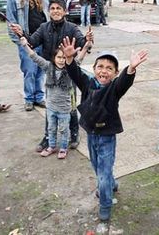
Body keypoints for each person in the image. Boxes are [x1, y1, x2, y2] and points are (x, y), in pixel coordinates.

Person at [61, 36, 148, 221]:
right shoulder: (87, 83)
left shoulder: (115, 88)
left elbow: (125, 81)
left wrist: (131, 69)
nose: (104, 71)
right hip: (91, 134)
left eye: (110, 68)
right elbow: (75, 73)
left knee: (103, 171)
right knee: (97, 166)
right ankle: (111, 184)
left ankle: (105, 203)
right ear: (93, 69)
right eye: (100, 66)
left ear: (115, 73)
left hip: (107, 137)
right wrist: (69, 59)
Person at [10, 0, 94, 151]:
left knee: (71, 104)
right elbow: (31, 42)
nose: (55, 11)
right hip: (51, 72)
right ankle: (48, 137)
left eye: (58, 8)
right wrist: (21, 33)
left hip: (70, 72)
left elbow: (83, 43)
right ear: (49, 11)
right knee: (51, 105)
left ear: (64, 11)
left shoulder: (72, 27)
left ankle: (74, 133)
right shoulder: (43, 27)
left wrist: (88, 40)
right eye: (53, 9)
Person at [20, 36, 91, 159]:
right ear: (54, 58)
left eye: (64, 57)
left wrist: (86, 45)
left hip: (64, 109)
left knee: (64, 130)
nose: (62, 60)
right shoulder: (48, 67)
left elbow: (80, 58)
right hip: (51, 108)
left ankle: (63, 148)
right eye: (59, 57)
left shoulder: (71, 69)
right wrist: (25, 45)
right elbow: (35, 57)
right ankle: (51, 146)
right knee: (51, 129)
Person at [6, 0, 50, 111]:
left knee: (41, 70)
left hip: (43, 40)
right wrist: (20, 41)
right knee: (29, 71)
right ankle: (29, 98)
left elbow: (49, 16)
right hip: (26, 41)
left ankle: (39, 97)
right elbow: (11, 21)